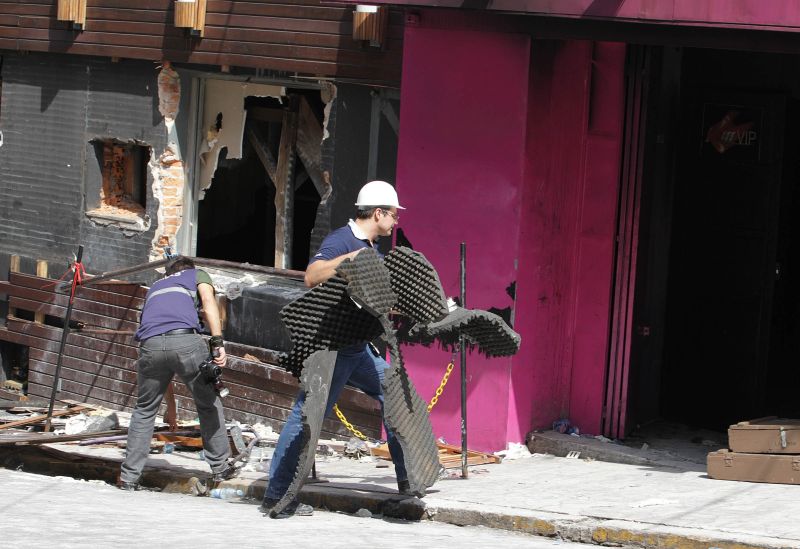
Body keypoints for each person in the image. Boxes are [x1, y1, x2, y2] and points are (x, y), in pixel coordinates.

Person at [261, 180, 410, 518]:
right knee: (306, 415)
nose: (396, 221)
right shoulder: (342, 241)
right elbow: (312, 276)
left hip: (358, 350)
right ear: (377, 212)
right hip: (333, 350)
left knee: (397, 396)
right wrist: (349, 259)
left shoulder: (373, 248)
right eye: (393, 214)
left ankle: (407, 479)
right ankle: (276, 495)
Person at [119, 257, 235, 490]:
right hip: (185, 341)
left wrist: (171, 409)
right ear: (188, 270)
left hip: (150, 346)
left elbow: (165, 365)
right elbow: (208, 302)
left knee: (144, 410)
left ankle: (129, 478)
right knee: (208, 403)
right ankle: (221, 467)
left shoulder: (156, 287)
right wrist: (217, 341)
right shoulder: (196, 275)